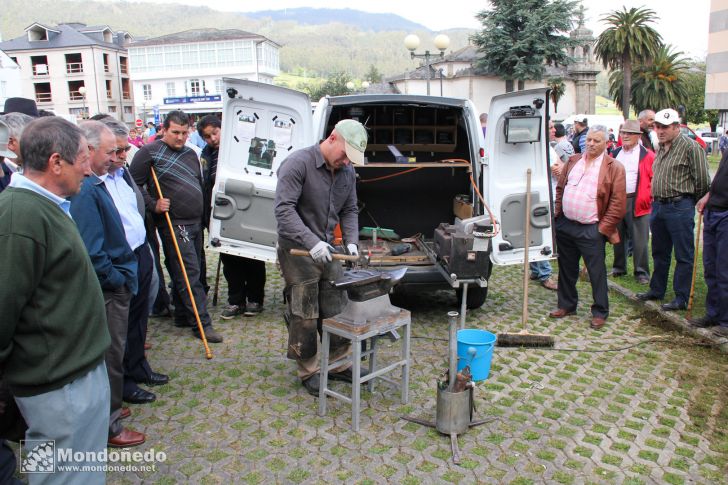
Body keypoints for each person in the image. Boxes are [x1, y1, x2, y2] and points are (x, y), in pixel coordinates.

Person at [0, 117, 111, 483]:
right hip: (57, 386)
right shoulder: (20, 216)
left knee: (81, 473)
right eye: (82, 157)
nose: (88, 167)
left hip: (75, 375)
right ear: (55, 162)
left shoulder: (47, 205)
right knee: (60, 476)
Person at [274, 119, 368, 396]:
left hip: (329, 247)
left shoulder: (346, 172)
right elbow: (284, 210)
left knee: (337, 304)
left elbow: (350, 209)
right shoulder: (297, 164)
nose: (346, 162)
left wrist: (351, 243)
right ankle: (309, 370)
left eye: (351, 159)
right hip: (297, 250)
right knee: (304, 311)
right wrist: (311, 241)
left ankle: (339, 364)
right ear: (332, 139)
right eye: (344, 155)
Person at [70, 121, 146, 448]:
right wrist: (117, 280)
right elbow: (93, 250)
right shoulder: (87, 189)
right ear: (88, 151)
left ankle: (111, 408)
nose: (115, 157)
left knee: (116, 352)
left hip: (120, 276)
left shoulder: (97, 182)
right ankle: (110, 424)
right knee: (111, 355)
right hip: (110, 285)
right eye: (109, 151)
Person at [130, 110, 223, 343]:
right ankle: (202, 324)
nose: (180, 137)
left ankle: (182, 314)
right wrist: (153, 204)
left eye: (184, 132)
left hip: (195, 223)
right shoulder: (148, 153)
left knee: (196, 272)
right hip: (174, 223)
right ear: (163, 129)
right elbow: (133, 185)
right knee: (188, 272)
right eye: (175, 132)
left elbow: (199, 185)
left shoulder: (191, 154)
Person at [99, 117, 170, 405]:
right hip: (117, 261)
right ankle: (123, 383)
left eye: (124, 150)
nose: (120, 157)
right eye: (114, 152)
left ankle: (139, 366)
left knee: (140, 316)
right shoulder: (94, 181)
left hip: (139, 251)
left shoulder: (123, 172)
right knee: (120, 328)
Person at [549, 125, 626, 329]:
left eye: (596, 141)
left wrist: (602, 229)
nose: (590, 143)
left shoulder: (614, 167)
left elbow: (617, 204)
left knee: (596, 272)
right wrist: (558, 216)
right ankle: (567, 305)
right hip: (566, 225)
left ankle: (600, 311)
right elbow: (560, 189)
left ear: (607, 144)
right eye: (589, 140)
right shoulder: (573, 160)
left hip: (591, 228)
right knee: (566, 268)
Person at [637, 109, 711, 311]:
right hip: (659, 205)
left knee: (683, 254)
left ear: (677, 127)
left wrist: (690, 201)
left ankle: (681, 296)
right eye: (657, 126)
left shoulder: (691, 147)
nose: (660, 131)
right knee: (659, 252)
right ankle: (657, 289)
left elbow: (703, 180)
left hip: (680, 206)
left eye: (665, 127)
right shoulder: (660, 146)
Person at [197, 115, 267, 319]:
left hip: (246, 211)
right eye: (207, 136)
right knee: (229, 260)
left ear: (223, 129)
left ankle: (255, 299)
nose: (212, 139)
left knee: (252, 258)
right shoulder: (206, 154)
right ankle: (235, 300)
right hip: (221, 213)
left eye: (215, 133)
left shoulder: (240, 148)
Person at [609, 120, 655, 284]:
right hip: (618, 199)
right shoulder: (615, 153)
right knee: (618, 235)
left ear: (638, 136)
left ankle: (641, 272)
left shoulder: (648, 155)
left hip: (638, 199)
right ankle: (619, 267)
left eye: (629, 133)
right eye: (623, 133)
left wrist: (649, 197)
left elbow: (653, 178)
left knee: (640, 238)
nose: (625, 136)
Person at [691, 146, 728, 337]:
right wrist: (708, 196)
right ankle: (713, 313)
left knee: (724, 270)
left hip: (725, 215)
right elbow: (720, 180)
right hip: (714, 211)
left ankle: (726, 321)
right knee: (711, 267)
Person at [529, 121, 560, 291]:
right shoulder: (538, 147)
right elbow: (553, 169)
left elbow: (560, 166)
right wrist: (553, 168)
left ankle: (536, 270)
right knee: (542, 234)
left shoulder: (548, 147)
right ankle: (545, 275)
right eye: (550, 127)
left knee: (536, 233)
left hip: (548, 194)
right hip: (543, 197)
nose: (554, 129)